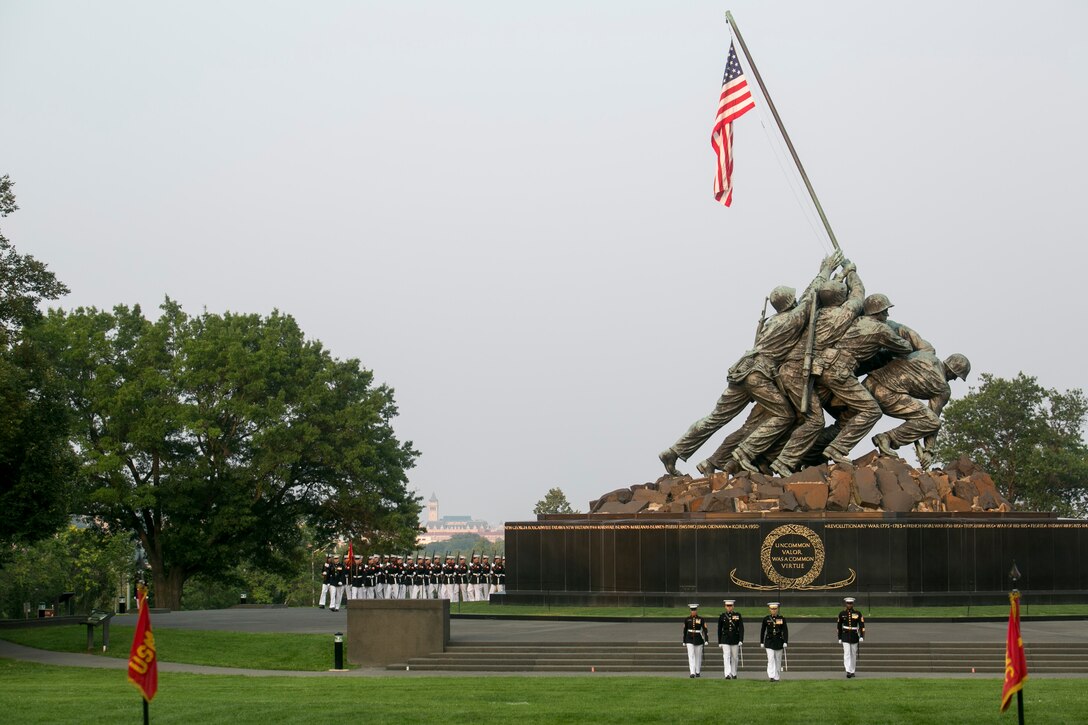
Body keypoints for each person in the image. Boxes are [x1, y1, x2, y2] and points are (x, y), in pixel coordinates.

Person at [659, 253, 843, 478]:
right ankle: (744, 453)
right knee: (784, 415)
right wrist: (826, 269)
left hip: (742, 370)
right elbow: (810, 297)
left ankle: (675, 450)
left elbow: (805, 299)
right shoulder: (791, 320)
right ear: (790, 303)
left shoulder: (774, 320)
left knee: (715, 418)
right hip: (759, 375)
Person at [864, 351, 971, 467]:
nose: (954, 379)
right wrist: (929, 451)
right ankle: (886, 438)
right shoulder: (943, 388)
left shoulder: (925, 355)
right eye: (956, 375)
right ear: (951, 370)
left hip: (868, 382)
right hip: (887, 394)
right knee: (933, 421)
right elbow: (933, 421)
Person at [760, 601, 788, 681]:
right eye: (772, 609)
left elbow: (785, 630)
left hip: (779, 641)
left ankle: (777, 676)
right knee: (771, 659)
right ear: (769, 609)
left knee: (778, 660)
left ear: (777, 609)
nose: (774, 610)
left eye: (775, 609)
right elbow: (762, 631)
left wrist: (785, 641)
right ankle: (771, 676)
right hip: (769, 641)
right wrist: (761, 642)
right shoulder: (766, 619)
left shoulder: (781, 619)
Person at [837, 597, 865, 678]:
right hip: (845, 635)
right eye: (848, 603)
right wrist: (839, 637)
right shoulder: (842, 613)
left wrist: (862, 636)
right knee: (847, 654)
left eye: (851, 603)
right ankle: (848, 670)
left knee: (853, 654)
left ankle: (852, 671)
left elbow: (862, 625)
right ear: (846, 604)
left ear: (853, 604)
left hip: (854, 635)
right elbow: (839, 626)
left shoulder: (857, 613)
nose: (849, 605)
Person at [717, 599, 744, 679]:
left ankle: (734, 672)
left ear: (733, 606)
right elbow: (719, 629)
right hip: (725, 638)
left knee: (735, 657)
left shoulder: (737, 615)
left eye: (730, 606)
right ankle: (727, 674)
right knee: (726, 656)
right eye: (728, 606)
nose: (729, 608)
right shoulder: (722, 616)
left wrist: (741, 640)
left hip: (735, 638)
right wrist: (720, 641)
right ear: (725, 606)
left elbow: (741, 628)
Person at [682, 604, 709, 678]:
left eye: (694, 610)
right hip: (689, 638)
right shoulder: (687, 619)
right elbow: (685, 631)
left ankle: (697, 671)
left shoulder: (701, 619)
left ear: (697, 610)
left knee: (698, 656)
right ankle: (692, 672)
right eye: (692, 610)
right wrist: (684, 640)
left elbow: (705, 629)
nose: (693, 611)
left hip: (698, 638)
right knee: (691, 655)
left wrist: (706, 639)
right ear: (690, 611)